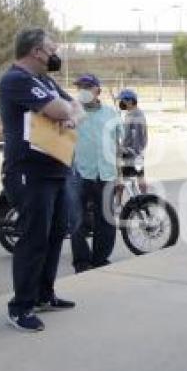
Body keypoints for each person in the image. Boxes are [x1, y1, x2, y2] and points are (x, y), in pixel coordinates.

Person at [0, 28, 84, 332]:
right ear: (36, 51)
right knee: (34, 237)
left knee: (56, 232)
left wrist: (68, 114)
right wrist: (65, 113)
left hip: (56, 168)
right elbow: (59, 108)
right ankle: (20, 307)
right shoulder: (16, 80)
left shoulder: (44, 80)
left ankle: (44, 294)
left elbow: (76, 107)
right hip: (29, 172)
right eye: (52, 48)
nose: (55, 54)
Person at [70, 74, 122, 273]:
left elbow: (117, 147)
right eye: (80, 87)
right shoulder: (72, 113)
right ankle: (81, 261)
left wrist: (120, 176)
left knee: (106, 219)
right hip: (80, 174)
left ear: (97, 91)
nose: (83, 90)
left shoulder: (111, 114)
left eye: (87, 87)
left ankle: (100, 258)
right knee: (77, 220)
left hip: (107, 174)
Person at [116, 88, 149, 204]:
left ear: (130, 101)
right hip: (136, 153)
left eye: (122, 100)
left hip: (131, 153)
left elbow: (136, 136)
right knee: (139, 177)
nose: (121, 103)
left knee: (120, 179)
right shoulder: (133, 114)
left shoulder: (136, 116)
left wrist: (127, 150)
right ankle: (144, 201)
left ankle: (118, 204)